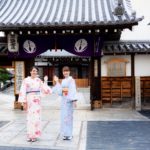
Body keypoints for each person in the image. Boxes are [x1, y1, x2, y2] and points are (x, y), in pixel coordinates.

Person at [18, 66, 52, 142]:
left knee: (36, 118)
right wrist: (23, 102)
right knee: (29, 118)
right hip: (29, 100)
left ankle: (35, 135)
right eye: (33, 71)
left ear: (37, 72)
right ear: (30, 72)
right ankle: (30, 135)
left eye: (36, 71)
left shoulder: (39, 80)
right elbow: (23, 91)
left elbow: (44, 88)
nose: (34, 72)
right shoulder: (26, 80)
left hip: (37, 100)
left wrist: (45, 81)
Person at [53, 66, 77, 140]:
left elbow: (73, 90)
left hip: (69, 101)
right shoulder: (63, 80)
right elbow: (61, 91)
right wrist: (57, 82)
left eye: (67, 71)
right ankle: (65, 133)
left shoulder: (71, 80)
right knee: (64, 117)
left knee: (69, 117)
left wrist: (74, 100)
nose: (65, 72)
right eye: (64, 71)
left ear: (69, 72)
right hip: (64, 101)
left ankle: (69, 134)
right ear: (62, 72)